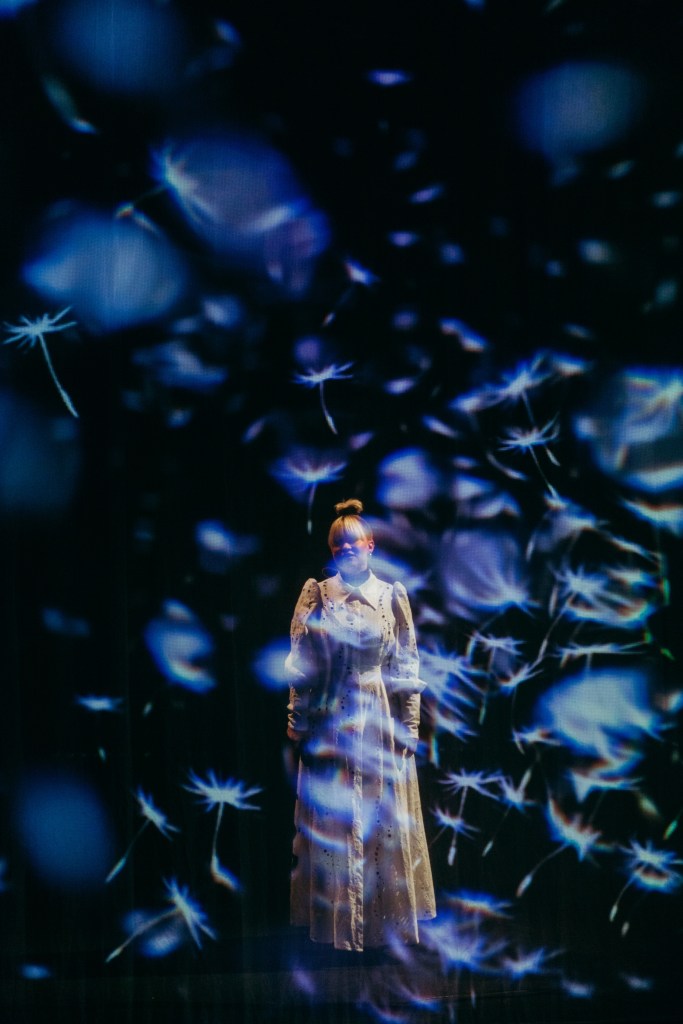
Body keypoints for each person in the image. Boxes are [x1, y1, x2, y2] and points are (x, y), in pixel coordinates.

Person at [285, 498, 436, 951]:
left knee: (381, 822)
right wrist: (298, 720)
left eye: (355, 542)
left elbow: (406, 665)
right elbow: (303, 664)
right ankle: (340, 929)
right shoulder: (318, 595)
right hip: (332, 721)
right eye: (339, 545)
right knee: (336, 821)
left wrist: (409, 724)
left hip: (378, 719)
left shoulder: (390, 597)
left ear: (371, 545)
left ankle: (383, 930)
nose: (347, 550)